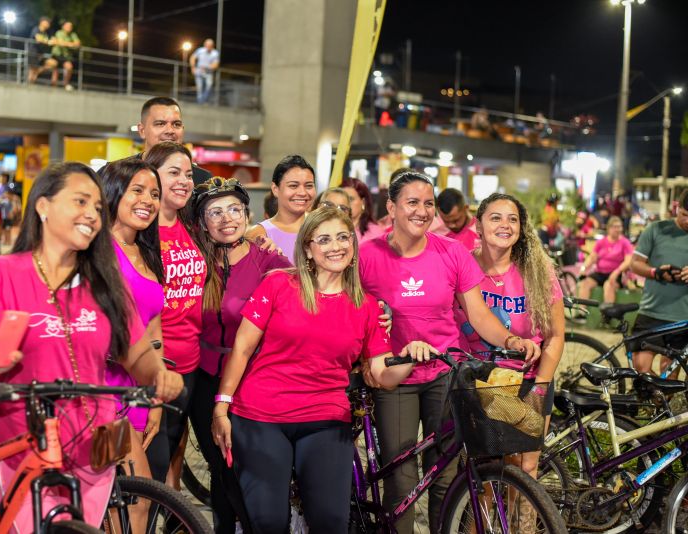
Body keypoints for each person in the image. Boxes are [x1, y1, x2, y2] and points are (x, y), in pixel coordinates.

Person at [0, 162, 182, 533]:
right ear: (43, 206)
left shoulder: (106, 283)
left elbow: (137, 352)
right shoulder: (1, 273)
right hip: (23, 441)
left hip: (96, 443)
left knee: (110, 518)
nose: (92, 214)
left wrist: (159, 374)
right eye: (80, 201)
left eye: (97, 206)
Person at [358, 169, 541, 533]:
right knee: (401, 478)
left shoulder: (452, 252)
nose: (422, 211)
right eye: (412, 202)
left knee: (446, 477)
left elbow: (478, 314)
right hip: (395, 376)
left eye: (428, 203)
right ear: (391, 208)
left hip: (445, 372)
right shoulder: (367, 256)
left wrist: (510, 340)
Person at [212, 208, 392, 533]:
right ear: (308, 249)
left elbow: (383, 374)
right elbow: (242, 347)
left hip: (325, 418)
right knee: (269, 523)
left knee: (331, 523)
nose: (336, 246)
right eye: (324, 239)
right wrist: (222, 406)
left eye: (343, 237)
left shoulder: (367, 306)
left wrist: (412, 356)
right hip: (261, 414)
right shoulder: (278, 283)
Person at [190, 177, 290, 533]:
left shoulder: (270, 261)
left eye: (234, 209)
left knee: (248, 467)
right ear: (203, 223)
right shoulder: (196, 262)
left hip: (253, 380)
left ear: (247, 215)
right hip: (204, 377)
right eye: (215, 212)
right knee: (221, 467)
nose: (227, 219)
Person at [454, 193, 564, 479]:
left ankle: (525, 513)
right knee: (488, 470)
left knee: (526, 468)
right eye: (495, 218)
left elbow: (555, 336)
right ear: (478, 226)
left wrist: (540, 387)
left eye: (512, 219)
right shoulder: (461, 266)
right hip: (480, 380)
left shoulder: (538, 272)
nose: (505, 224)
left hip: (530, 379)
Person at [99, 157, 183, 484]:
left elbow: (153, 332)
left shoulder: (147, 253)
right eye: (137, 190)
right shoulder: (99, 253)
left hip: (141, 391)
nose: (147, 200)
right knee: (120, 494)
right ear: (113, 192)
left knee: (141, 491)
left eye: (154, 194)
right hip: (104, 393)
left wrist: (156, 399)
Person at [143, 142, 206, 481]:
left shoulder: (191, 226)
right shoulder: (141, 232)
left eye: (188, 174)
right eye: (174, 173)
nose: (184, 180)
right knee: (150, 468)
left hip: (191, 363)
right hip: (156, 365)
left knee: (169, 457)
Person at [629, 189, 688, 375]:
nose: (687, 221)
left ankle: (660, 395)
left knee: (669, 374)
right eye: (684, 214)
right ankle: (653, 392)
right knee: (640, 367)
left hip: (682, 317)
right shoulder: (656, 229)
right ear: (677, 208)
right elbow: (635, 263)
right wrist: (656, 272)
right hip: (651, 310)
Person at [246, 155, 316, 264]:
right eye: (293, 186)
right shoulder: (257, 234)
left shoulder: (322, 227)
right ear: (275, 189)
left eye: (309, 186)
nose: (302, 193)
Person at [135, 96, 211, 185]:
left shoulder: (202, 179)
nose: (170, 131)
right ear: (142, 130)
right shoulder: (124, 173)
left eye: (176, 124)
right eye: (160, 124)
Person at [577, 216, 634, 305]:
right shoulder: (601, 242)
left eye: (619, 227)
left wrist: (616, 272)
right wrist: (584, 268)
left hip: (616, 274)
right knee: (584, 284)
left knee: (608, 285)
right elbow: (592, 257)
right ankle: (582, 311)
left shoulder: (625, 242)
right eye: (615, 227)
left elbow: (628, 261)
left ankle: (608, 311)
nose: (618, 229)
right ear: (609, 228)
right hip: (600, 273)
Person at [340, 177, 383, 242]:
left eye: (350, 199)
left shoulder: (376, 234)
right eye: (342, 199)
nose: (345, 203)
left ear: (363, 202)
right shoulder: (332, 228)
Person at [27, 16, 58, 86]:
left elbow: (54, 40)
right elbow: (38, 39)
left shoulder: (46, 32)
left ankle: (33, 79)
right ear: (42, 22)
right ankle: (29, 86)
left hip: (41, 54)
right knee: (32, 71)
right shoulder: (36, 29)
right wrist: (49, 42)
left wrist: (53, 41)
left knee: (53, 63)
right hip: (33, 52)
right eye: (47, 22)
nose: (49, 24)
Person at [51, 20, 81, 91]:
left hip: (66, 56)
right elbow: (60, 43)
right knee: (55, 69)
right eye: (68, 26)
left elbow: (78, 44)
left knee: (69, 67)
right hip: (57, 54)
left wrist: (67, 44)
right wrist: (71, 44)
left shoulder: (73, 34)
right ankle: (53, 86)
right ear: (63, 27)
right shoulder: (59, 32)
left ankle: (66, 84)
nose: (69, 27)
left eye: (70, 26)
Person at [190, 39, 220, 104]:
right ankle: (199, 102)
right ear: (205, 45)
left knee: (209, 86)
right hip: (199, 71)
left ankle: (203, 100)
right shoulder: (200, 50)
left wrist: (207, 68)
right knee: (199, 87)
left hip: (208, 73)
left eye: (210, 45)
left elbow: (216, 65)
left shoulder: (215, 53)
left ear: (212, 46)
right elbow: (192, 58)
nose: (208, 47)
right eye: (207, 45)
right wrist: (193, 67)